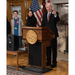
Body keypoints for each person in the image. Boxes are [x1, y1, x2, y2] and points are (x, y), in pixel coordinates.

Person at [41, 3, 60, 67]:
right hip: (46, 35)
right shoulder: (44, 15)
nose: (48, 8)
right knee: (48, 49)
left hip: (53, 34)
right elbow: (43, 24)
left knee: (54, 49)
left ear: (51, 7)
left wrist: (55, 15)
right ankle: (48, 61)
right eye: (47, 7)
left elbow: (58, 20)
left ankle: (54, 62)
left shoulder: (55, 13)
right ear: (46, 8)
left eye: (49, 7)